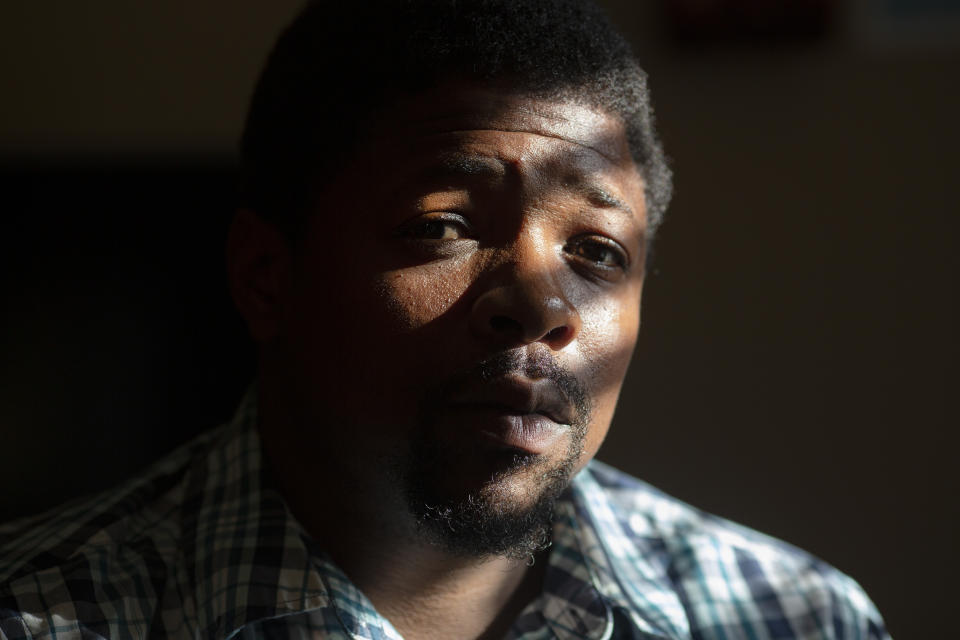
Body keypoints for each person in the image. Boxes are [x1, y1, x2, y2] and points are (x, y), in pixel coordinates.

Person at [0, 1, 889, 638]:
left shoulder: (793, 616)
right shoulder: (42, 614)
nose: (542, 309)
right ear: (267, 276)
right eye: (442, 227)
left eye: (598, 253)